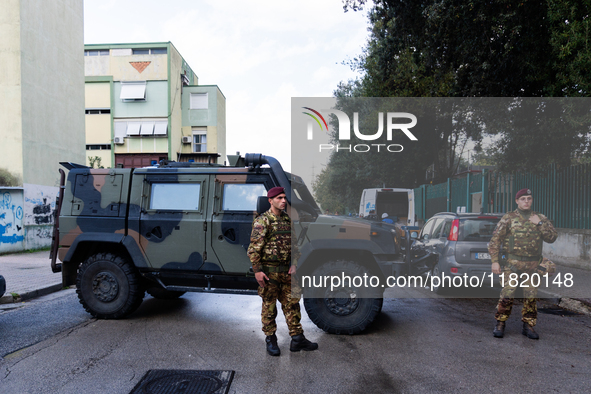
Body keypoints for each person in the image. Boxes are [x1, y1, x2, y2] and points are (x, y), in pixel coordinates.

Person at [247, 186, 318, 356]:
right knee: (269, 307)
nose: (284, 201)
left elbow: (294, 245)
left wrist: (294, 264)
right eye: (279, 198)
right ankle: (271, 339)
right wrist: (257, 271)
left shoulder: (287, 220)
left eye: (284, 198)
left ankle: (297, 339)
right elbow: (253, 249)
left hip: (287, 273)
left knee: (292, 304)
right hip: (269, 274)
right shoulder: (262, 221)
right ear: (270, 201)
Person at [488, 188, 558, 339]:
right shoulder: (509, 218)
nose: (526, 201)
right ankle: (500, 323)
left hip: (532, 266)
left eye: (529, 198)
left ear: (531, 200)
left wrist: (539, 223)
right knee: (508, 293)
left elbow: (552, 237)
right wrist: (495, 262)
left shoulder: (540, 218)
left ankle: (529, 326)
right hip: (512, 264)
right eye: (523, 199)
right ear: (517, 201)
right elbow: (495, 241)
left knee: (531, 296)